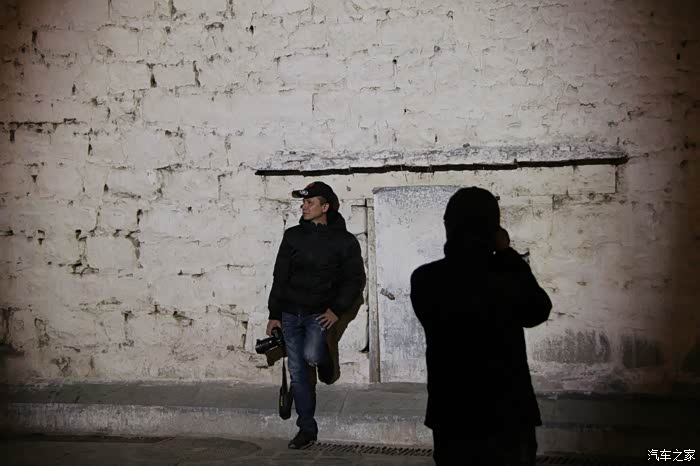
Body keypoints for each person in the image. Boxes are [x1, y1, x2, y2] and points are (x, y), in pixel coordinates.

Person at [410, 187, 552, 465]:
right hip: (508, 410)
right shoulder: (506, 275)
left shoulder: (427, 278)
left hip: (453, 411)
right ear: (493, 229)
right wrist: (507, 253)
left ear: (449, 226)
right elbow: (537, 311)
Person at [266, 181, 365, 449]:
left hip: (318, 315)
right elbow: (279, 276)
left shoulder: (344, 241)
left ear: (325, 207)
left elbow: (354, 279)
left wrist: (337, 310)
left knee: (311, 356)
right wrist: (274, 314)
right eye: (303, 202)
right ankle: (306, 429)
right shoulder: (292, 236)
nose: (304, 206)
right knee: (298, 373)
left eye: (310, 202)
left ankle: (324, 357)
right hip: (290, 314)